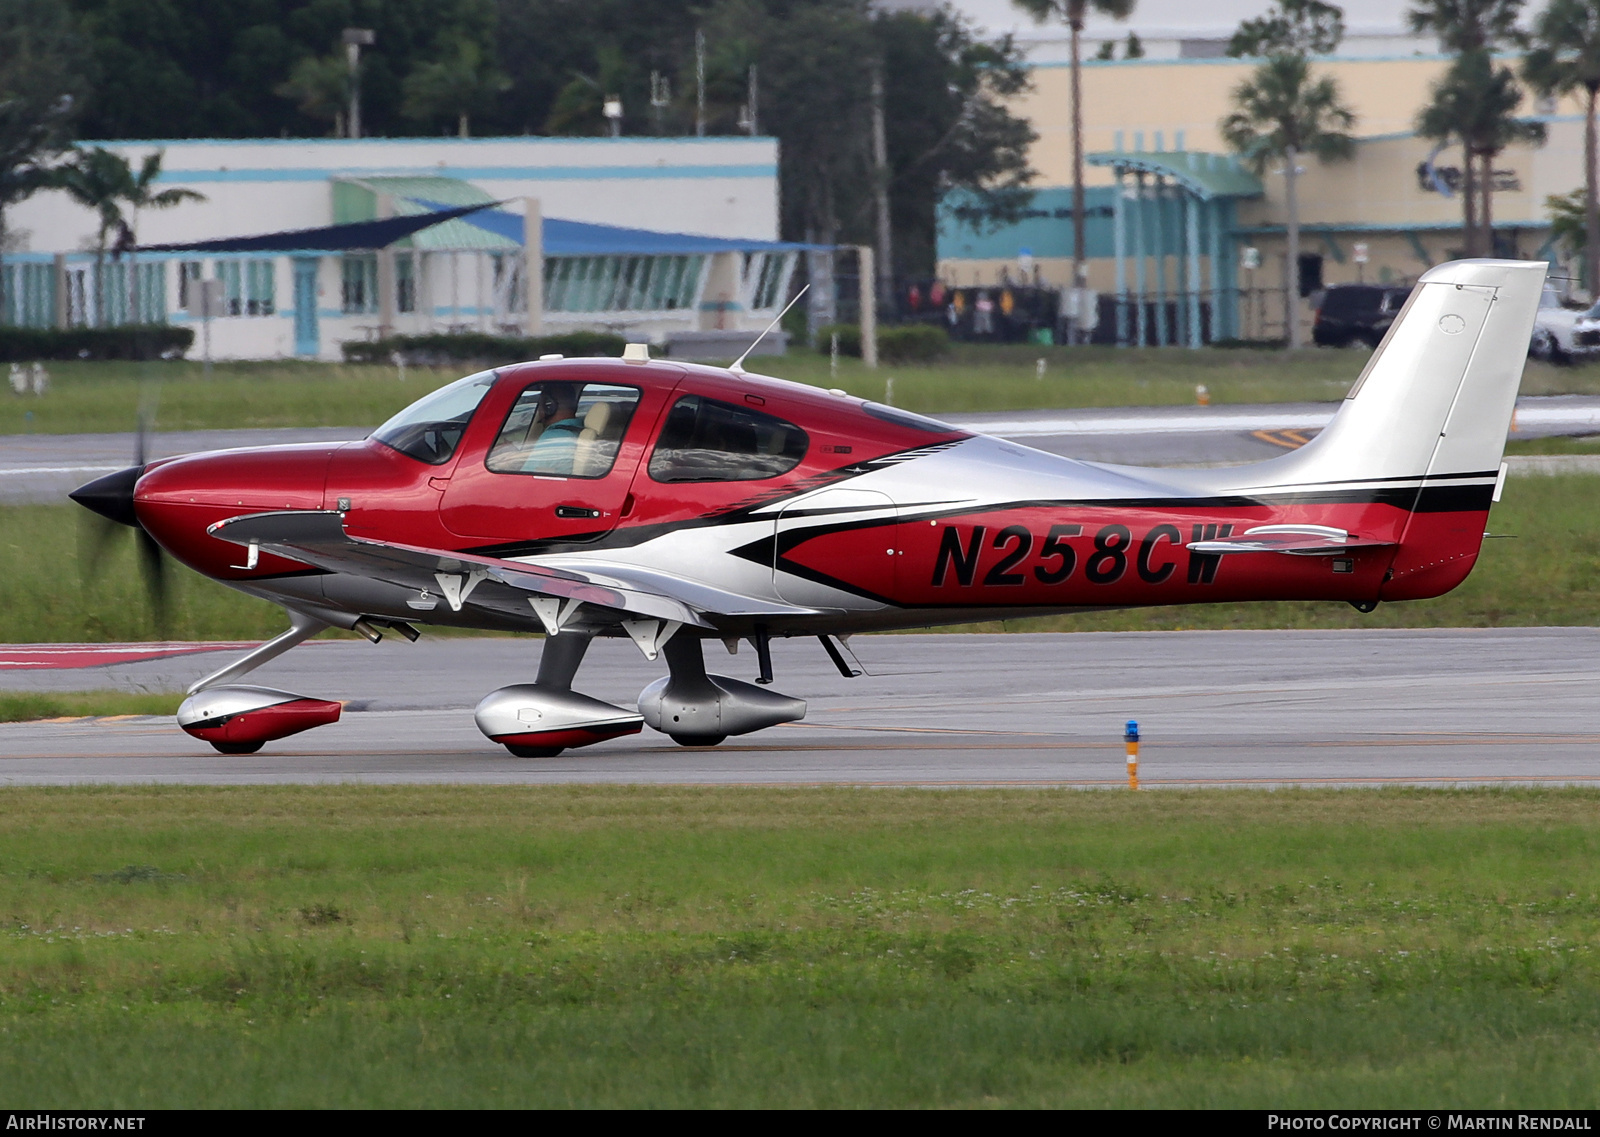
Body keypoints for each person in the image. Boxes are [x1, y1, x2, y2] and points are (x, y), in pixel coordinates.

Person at [523, 382, 584, 474]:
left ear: (548, 406)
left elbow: (525, 479)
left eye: (541, 405)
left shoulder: (552, 439)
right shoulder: (578, 429)